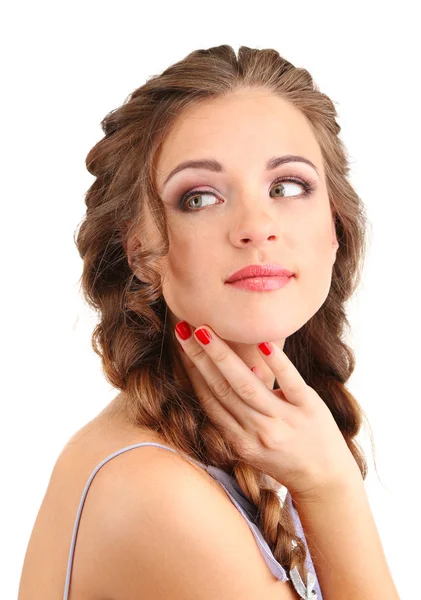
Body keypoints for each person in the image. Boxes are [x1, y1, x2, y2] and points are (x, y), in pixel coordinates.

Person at [18, 45, 400, 600]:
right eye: (199, 197)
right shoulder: (156, 494)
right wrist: (333, 488)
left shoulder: (252, 446)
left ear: (334, 228)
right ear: (142, 249)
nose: (256, 226)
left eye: (287, 186)